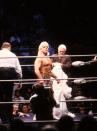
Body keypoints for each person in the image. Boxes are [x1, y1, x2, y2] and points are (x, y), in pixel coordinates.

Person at [30, 41, 59, 120]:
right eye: (44, 47)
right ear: (40, 48)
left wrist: (56, 77)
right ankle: (38, 115)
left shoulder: (48, 58)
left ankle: (50, 114)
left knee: (50, 96)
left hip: (48, 79)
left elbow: (49, 71)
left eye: (47, 47)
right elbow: (36, 70)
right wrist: (41, 79)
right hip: (42, 79)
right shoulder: (39, 58)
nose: (46, 48)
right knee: (42, 97)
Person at [0, 42, 22, 123]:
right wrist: (20, 80)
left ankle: (3, 118)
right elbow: (18, 70)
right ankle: (9, 118)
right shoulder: (12, 54)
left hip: (0, 73)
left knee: (1, 97)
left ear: (2, 47)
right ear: (9, 47)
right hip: (10, 74)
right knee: (9, 97)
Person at [51, 44, 75, 119]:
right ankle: (56, 111)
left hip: (65, 78)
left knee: (66, 94)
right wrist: (53, 64)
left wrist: (60, 65)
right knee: (56, 94)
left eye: (63, 51)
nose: (61, 52)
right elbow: (50, 65)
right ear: (58, 50)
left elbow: (69, 66)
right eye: (60, 51)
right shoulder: (54, 56)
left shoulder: (67, 57)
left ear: (65, 51)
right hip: (56, 79)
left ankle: (66, 110)